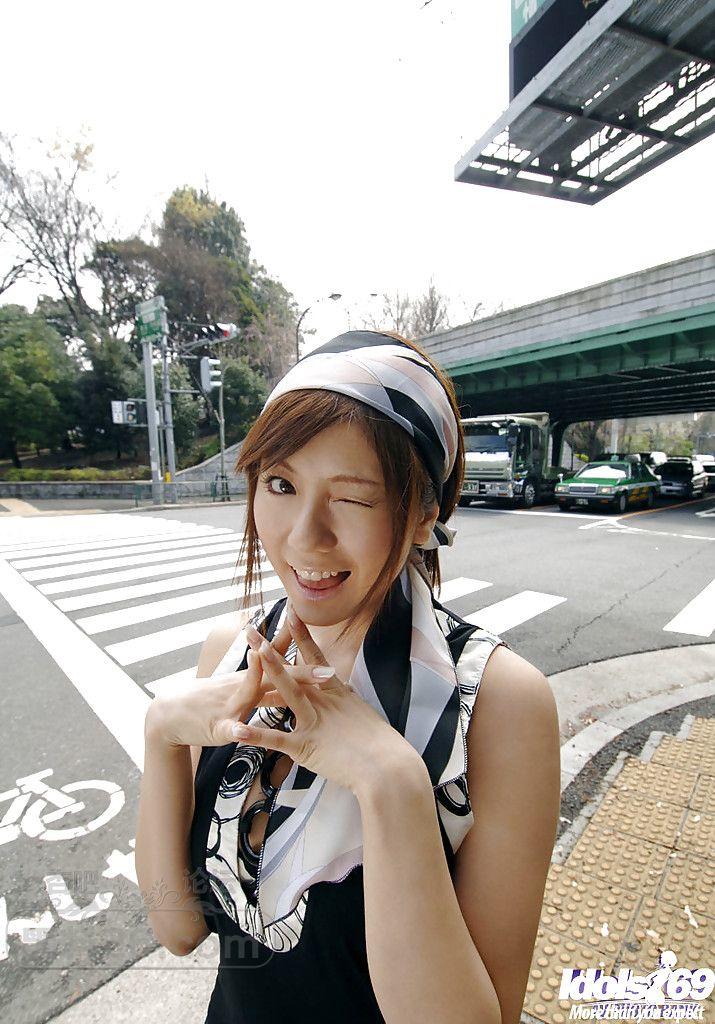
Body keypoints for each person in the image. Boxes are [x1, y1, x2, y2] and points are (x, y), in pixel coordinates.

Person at [135, 330, 561, 1024]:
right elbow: (178, 927)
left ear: (423, 515)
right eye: (280, 485)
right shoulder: (233, 655)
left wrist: (389, 780)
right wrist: (161, 735)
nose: (304, 536)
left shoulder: (496, 703)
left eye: (352, 498)